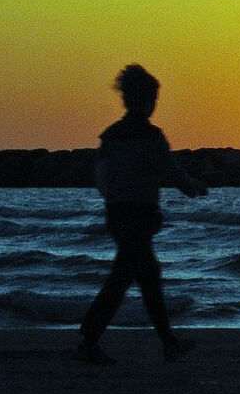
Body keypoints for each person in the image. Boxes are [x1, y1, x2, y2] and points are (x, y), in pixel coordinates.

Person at [77, 64, 209, 364]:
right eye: (152, 99)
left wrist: (115, 196)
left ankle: (167, 343)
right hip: (139, 215)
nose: (153, 105)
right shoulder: (151, 136)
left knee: (146, 278)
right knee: (125, 278)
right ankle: (88, 341)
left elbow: (102, 176)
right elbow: (170, 170)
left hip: (118, 213)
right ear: (145, 100)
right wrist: (192, 186)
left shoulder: (111, 135)